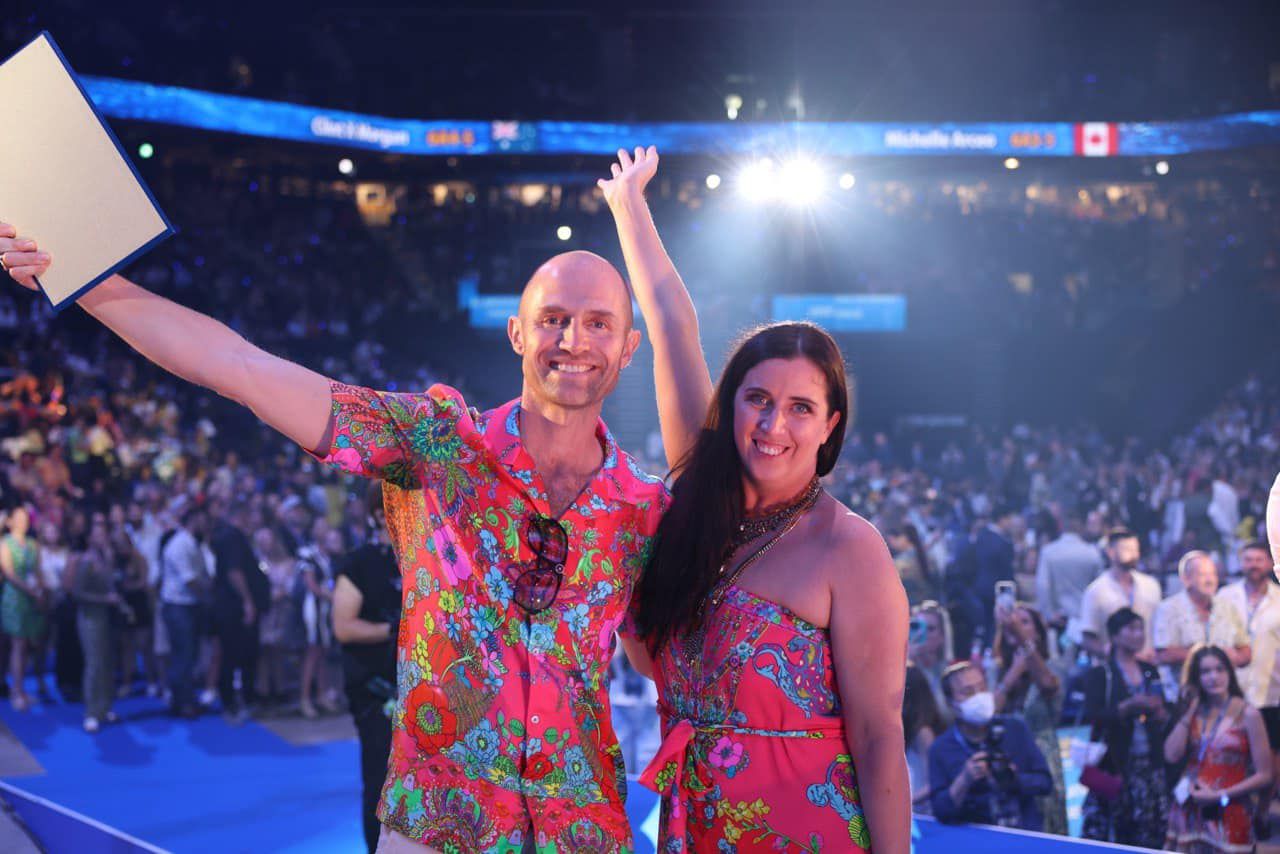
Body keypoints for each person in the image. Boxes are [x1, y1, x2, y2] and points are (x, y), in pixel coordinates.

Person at [0, 219, 667, 851]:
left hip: (583, 828)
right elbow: (238, 367)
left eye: (598, 323)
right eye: (553, 319)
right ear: (517, 333)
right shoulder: (437, 442)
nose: (573, 341)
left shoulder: (644, 508)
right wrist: (83, 279)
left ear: (628, 347)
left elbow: (654, 657)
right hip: (438, 823)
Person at [605, 147, 911, 852]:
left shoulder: (850, 547)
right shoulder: (696, 492)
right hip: (690, 827)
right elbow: (672, 325)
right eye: (758, 399)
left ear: (831, 425)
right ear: (732, 403)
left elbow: (879, 736)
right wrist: (629, 207)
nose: (774, 425)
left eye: (801, 408)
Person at [334, 484, 401, 854]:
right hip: (376, 693)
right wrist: (395, 629)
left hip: (425, 694)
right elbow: (343, 626)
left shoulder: (425, 558)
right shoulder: (359, 564)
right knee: (379, 781)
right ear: (379, 514)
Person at [1164, 645, 1273, 851]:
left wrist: (1220, 795)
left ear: (1229, 672)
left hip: (1230, 807)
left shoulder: (1248, 714)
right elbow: (1171, 755)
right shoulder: (1193, 711)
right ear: (1196, 678)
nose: (1214, 677)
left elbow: (1265, 775)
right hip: (1189, 806)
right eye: (1205, 671)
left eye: (1220, 669)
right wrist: (1190, 709)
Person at [1080, 608, 1170, 848]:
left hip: (1149, 764)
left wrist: (1160, 712)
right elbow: (1094, 715)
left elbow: (1162, 707)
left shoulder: (1149, 670)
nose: (1138, 634)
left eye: (1141, 629)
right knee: (1112, 834)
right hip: (1115, 764)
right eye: (1131, 629)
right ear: (1115, 635)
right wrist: (1128, 706)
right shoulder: (1101, 674)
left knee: (1150, 834)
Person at [927, 662, 1054, 829]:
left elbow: (1045, 783)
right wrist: (964, 780)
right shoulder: (941, 748)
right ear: (950, 702)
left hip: (1023, 834)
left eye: (982, 688)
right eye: (968, 692)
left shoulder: (1014, 729)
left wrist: (1014, 780)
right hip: (976, 838)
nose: (978, 696)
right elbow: (941, 811)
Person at [1216, 540, 1280, 837]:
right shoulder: (1224, 596)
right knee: (1234, 755)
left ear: (1269, 563)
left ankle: (1262, 813)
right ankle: (1234, 813)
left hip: (1272, 691)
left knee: (1272, 759)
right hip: (1233, 692)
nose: (1253, 565)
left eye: (1258, 559)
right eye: (1248, 559)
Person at [992, 602, 1066, 835]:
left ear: (1038, 632)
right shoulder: (994, 670)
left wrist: (1024, 644)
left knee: (1046, 828)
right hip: (1006, 760)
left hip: (1041, 757)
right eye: (1012, 622)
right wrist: (1013, 672)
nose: (1015, 626)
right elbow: (989, 712)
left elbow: (1048, 686)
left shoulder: (1054, 666)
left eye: (1024, 622)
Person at [1153, 550, 1250, 701]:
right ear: (1186, 579)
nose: (1210, 580)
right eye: (1202, 574)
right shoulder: (1168, 608)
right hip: (1184, 698)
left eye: (1213, 574)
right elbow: (1163, 654)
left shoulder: (1227, 607)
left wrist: (1236, 657)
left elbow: (1246, 652)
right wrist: (1214, 657)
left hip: (1224, 699)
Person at [67, 514, 128, 732]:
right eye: (98, 535)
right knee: (94, 663)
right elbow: (77, 593)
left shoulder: (107, 560)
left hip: (107, 618)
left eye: (104, 535)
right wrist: (105, 599)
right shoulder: (86, 561)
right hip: (90, 618)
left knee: (108, 663)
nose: (103, 539)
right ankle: (91, 712)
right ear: (90, 539)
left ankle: (105, 706)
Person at [208, 496, 262, 722]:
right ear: (241, 516)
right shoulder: (233, 538)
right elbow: (234, 572)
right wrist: (248, 601)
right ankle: (231, 703)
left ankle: (241, 700)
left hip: (231, 606)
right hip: (233, 607)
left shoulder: (230, 537)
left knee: (240, 654)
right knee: (232, 655)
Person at [158, 500, 210, 719]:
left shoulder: (192, 543)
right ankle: (182, 702)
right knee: (183, 655)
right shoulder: (180, 545)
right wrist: (208, 597)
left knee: (188, 654)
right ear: (193, 520)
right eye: (202, 520)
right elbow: (190, 580)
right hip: (178, 606)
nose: (205, 524)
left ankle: (186, 699)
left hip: (187, 606)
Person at [1079, 528, 1162, 659]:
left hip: (1148, 662)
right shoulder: (1096, 591)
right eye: (1127, 549)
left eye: (1136, 550)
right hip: (1112, 665)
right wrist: (1111, 655)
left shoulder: (1151, 585)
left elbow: (1159, 626)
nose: (1134, 554)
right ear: (1111, 552)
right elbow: (1088, 637)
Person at [1034, 508, 1104, 654]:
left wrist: (1048, 614)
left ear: (1062, 525)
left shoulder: (1049, 552)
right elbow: (1100, 589)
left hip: (1060, 620)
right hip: (1085, 620)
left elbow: (1042, 586)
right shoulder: (1092, 553)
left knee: (1061, 659)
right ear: (1082, 526)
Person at [0, 505, 46, 710]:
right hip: (14, 599)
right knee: (18, 644)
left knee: (28, 644)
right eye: (18, 517)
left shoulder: (33, 545)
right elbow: (9, 574)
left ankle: (22, 689)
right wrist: (31, 590)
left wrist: (40, 590)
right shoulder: (4, 544)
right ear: (9, 521)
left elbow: (38, 570)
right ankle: (16, 691)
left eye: (25, 517)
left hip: (32, 598)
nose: (22, 521)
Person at [903, 663, 946, 815]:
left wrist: (903, 804)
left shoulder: (923, 733)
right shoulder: (910, 728)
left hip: (921, 814)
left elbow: (933, 783)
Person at [909, 600, 954, 724]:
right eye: (917, 627)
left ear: (942, 636)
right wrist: (907, 660)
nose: (922, 634)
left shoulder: (949, 672)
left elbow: (947, 715)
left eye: (930, 629)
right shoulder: (902, 670)